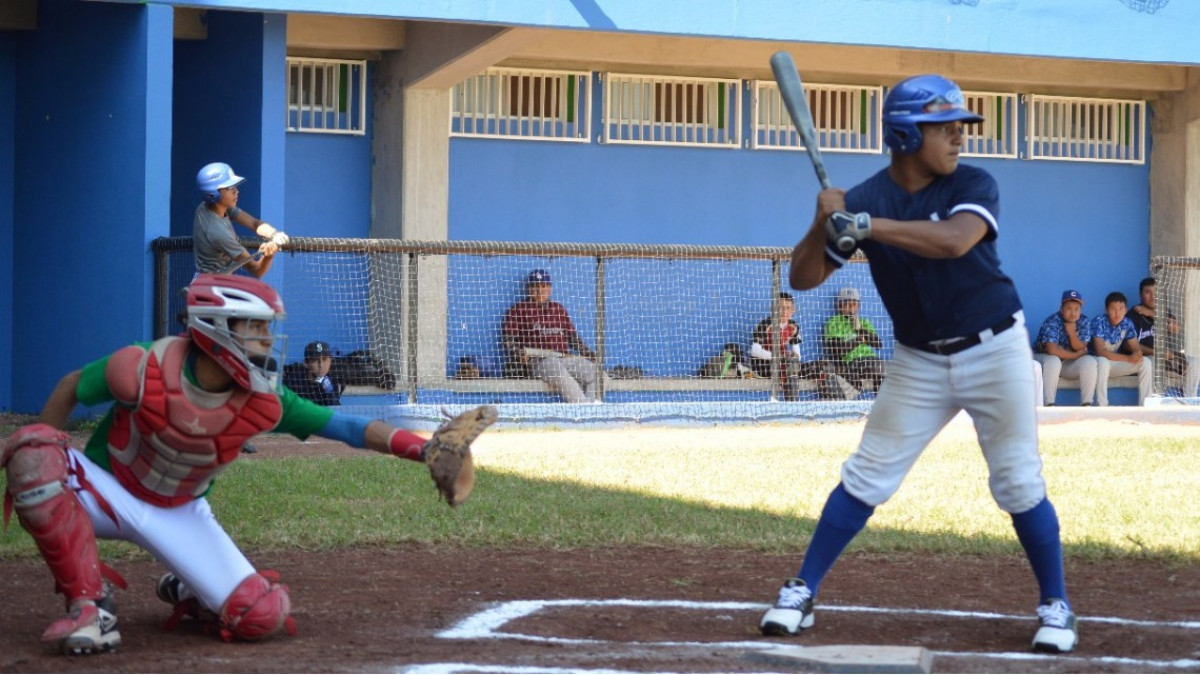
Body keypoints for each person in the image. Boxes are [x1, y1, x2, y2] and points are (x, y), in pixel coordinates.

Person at [0, 274, 495, 656]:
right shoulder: (144, 367)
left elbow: (346, 428)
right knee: (33, 454)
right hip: (108, 489)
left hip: (180, 512)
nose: (265, 339)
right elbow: (70, 386)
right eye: (255, 327)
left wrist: (422, 448)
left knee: (261, 616)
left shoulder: (265, 399)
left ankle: (191, 586)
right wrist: (46, 437)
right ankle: (91, 608)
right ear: (216, 330)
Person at [760, 74, 1076, 654]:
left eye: (961, 126)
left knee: (1016, 479)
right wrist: (821, 222)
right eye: (945, 127)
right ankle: (800, 591)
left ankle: (1056, 604)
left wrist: (865, 227)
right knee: (867, 473)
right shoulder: (863, 200)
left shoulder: (972, 183)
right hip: (918, 359)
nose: (960, 137)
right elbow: (802, 278)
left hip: (994, 346)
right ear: (906, 133)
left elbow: (955, 240)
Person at [501, 269, 599, 404]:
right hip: (539, 361)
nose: (539, 291)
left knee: (599, 374)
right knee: (555, 368)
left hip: (564, 358)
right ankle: (585, 410)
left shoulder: (558, 309)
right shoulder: (518, 309)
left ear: (550, 288)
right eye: (535, 286)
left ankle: (590, 410)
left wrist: (589, 354)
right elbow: (508, 339)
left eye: (543, 286)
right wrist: (517, 352)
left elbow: (572, 338)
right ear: (529, 289)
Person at [750, 292, 855, 401]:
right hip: (764, 367)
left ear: (793, 310)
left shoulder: (793, 326)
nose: (784, 311)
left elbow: (798, 356)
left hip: (786, 364)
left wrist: (793, 356)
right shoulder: (765, 324)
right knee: (790, 364)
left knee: (825, 366)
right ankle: (793, 407)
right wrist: (781, 357)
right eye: (780, 307)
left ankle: (836, 404)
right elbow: (755, 351)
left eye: (787, 308)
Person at [193, 162, 289, 278]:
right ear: (213, 193)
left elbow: (254, 223)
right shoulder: (217, 232)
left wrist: (275, 234)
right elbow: (256, 269)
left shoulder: (212, 206)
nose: (236, 191)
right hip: (210, 287)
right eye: (230, 188)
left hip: (212, 283)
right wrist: (268, 256)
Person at [1127, 276, 1198, 397]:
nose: (1152, 296)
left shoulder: (1164, 311)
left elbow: (1175, 328)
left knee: (1194, 363)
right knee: (1152, 363)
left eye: (1156, 292)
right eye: (1147, 292)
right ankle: (1150, 404)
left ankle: (1189, 401)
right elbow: (1129, 346)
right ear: (1140, 295)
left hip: (1165, 357)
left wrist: (1152, 314)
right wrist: (1158, 352)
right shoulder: (1133, 314)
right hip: (1145, 358)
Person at [1032, 290, 1099, 406]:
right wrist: (1077, 355)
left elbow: (1081, 346)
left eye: (1077, 309)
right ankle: (1049, 404)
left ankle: (1087, 404)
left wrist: (1071, 332)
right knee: (1053, 360)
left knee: (1090, 361)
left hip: (1066, 364)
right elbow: (1052, 350)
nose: (1073, 313)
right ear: (1061, 309)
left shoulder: (1083, 321)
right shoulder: (1052, 321)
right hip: (1044, 361)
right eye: (1069, 308)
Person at [1089, 291, 1153, 406]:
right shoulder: (1098, 322)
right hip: (1096, 364)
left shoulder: (1127, 323)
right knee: (1103, 362)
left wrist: (1136, 355)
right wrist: (1128, 358)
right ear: (1106, 310)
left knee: (1146, 362)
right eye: (1113, 309)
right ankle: (1102, 404)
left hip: (1114, 364)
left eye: (1121, 308)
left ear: (1126, 310)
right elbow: (1100, 351)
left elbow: (1136, 349)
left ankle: (1145, 404)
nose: (1117, 313)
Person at [822, 287, 887, 393]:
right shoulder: (834, 322)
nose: (850, 308)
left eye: (854, 304)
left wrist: (860, 329)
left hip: (870, 360)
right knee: (850, 384)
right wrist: (859, 340)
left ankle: (881, 405)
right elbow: (837, 350)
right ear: (840, 306)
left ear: (858, 306)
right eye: (846, 304)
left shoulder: (864, 322)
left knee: (883, 368)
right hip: (850, 362)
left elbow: (878, 344)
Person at [282, 340, 344, 406]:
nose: (321, 365)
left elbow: (335, 409)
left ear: (330, 361)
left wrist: (330, 393)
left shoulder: (331, 380)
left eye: (325, 359)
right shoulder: (294, 380)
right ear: (306, 363)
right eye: (315, 360)